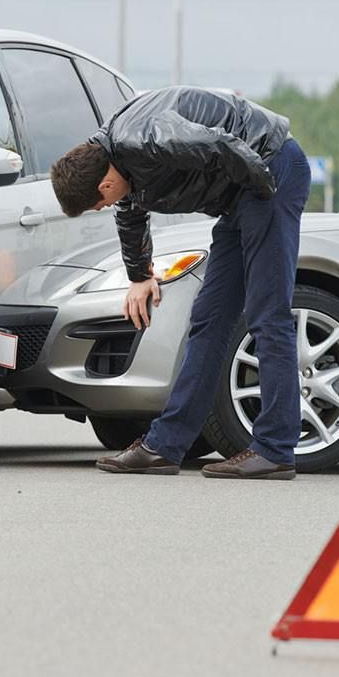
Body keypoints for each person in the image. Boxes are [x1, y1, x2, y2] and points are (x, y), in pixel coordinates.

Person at [50, 86, 311, 480]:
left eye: (97, 204)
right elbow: (131, 210)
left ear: (103, 185)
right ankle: (165, 446)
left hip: (268, 173)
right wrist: (139, 276)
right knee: (208, 318)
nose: (104, 207)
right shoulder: (115, 156)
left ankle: (275, 449)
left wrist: (265, 195)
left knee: (267, 313)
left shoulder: (149, 138)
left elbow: (222, 145)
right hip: (243, 196)